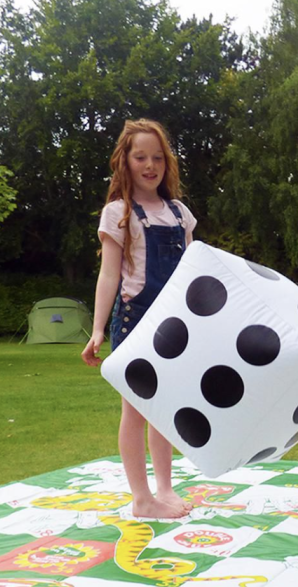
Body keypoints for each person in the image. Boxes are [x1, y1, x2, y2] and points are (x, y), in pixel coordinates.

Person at [81, 118, 197, 519]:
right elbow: (109, 275)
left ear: (167, 163)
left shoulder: (181, 214)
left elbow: (191, 273)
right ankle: (142, 499)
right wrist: (97, 330)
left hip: (175, 322)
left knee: (166, 406)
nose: (150, 165)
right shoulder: (118, 212)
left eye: (158, 157)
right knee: (136, 409)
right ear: (125, 162)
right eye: (140, 157)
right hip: (135, 320)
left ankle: (164, 489)